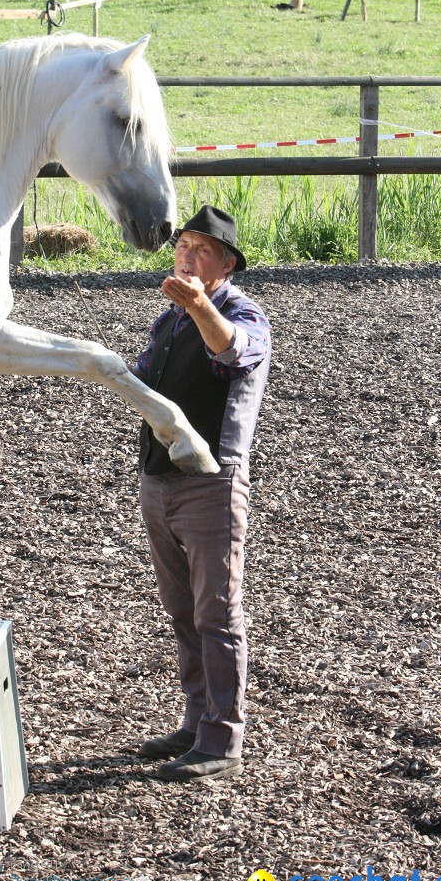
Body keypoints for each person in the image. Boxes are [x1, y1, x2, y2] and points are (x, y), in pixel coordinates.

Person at [133, 205, 271, 782]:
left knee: (216, 612)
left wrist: (197, 303)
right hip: (159, 479)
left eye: (202, 250)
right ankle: (196, 721)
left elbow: (232, 350)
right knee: (182, 609)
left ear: (226, 265)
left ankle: (222, 738)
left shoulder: (243, 313)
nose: (187, 257)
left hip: (211, 484)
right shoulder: (169, 321)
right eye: (183, 246)